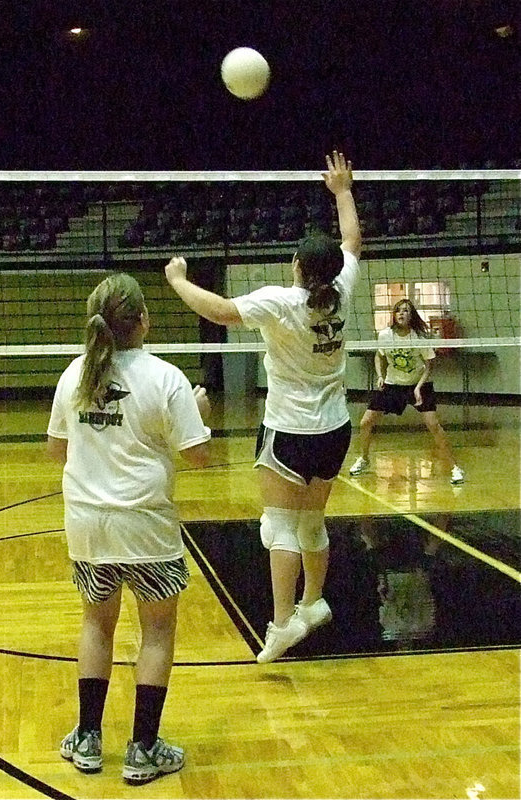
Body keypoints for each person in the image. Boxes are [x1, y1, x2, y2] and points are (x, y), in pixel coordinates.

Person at [165, 151, 361, 663]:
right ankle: (313, 602)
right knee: (312, 524)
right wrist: (342, 192)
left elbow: (222, 311)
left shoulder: (283, 301)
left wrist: (178, 281)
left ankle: (280, 625)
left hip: (290, 429)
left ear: (298, 266)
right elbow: (353, 242)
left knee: (279, 528)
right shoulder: (342, 289)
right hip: (335, 427)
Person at [46, 273, 211, 784]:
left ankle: (88, 739)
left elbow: (57, 450)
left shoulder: (74, 373)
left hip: (88, 524)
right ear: (144, 320)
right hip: (145, 525)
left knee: (97, 623)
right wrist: (199, 416)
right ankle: (142, 749)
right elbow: (199, 456)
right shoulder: (167, 378)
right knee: (156, 631)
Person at [348, 298, 465, 485]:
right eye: (399, 310)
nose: (402, 313)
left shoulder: (418, 337)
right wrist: (380, 375)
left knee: (434, 425)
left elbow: (429, 365)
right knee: (365, 422)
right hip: (393, 384)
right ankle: (364, 459)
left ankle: (455, 467)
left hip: (418, 384)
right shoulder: (385, 335)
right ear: (394, 315)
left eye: (406, 311)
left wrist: (418, 388)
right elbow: (379, 356)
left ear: (412, 316)